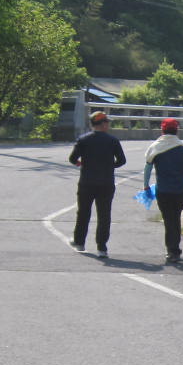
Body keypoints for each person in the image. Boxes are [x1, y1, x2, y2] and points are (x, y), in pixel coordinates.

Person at [68, 109, 126, 257]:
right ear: (103, 124)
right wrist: (109, 165)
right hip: (106, 182)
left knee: (83, 212)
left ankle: (79, 242)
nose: (108, 125)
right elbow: (121, 161)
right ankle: (102, 247)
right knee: (104, 215)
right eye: (107, 122)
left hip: (87, 181)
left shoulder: (84, 140)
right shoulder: (112, 141)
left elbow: (72, 158)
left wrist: (81, 163)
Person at [144, 117, 183, 264]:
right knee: (175, 218)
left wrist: (146, 185)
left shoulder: (155, 147)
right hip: (179, 191)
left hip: (162, 190)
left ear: (162, 130)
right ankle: (174, 249)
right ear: (177, 130)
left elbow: (148, 168)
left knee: (169, 219)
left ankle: (172, 250)